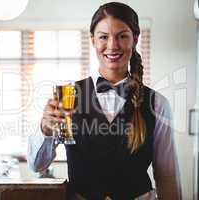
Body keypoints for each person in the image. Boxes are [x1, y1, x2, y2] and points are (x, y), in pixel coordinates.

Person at [27, 2, 182, 200]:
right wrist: (45, 130)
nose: (112, 45)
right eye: (103, 37)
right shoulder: (67, 97)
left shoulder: (158, 104)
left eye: (122, 36)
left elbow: (167, 176)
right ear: (92, 40)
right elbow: (37, 165)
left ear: (135, 39)